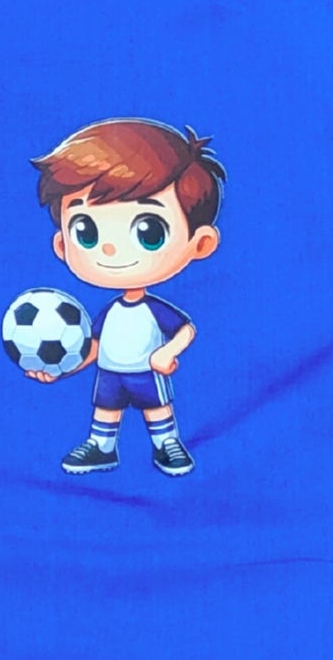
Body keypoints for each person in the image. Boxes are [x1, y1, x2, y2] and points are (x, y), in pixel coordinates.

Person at [28, 117, 226, 474]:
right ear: (62, 245)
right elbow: (93, 347)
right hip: (110, 372)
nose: (109, 249)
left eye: (149, 231)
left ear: (200, 244)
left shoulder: (154, 310)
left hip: (145, 372)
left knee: (157, 410)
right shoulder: (109, 312)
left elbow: (185, 330)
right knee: (106, 411)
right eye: (85, 231)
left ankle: (168, 444)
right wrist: (59, 368)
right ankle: (101, 447)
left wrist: (166, 352)